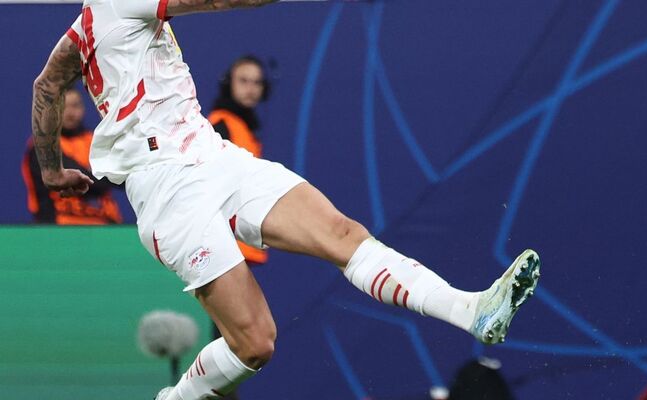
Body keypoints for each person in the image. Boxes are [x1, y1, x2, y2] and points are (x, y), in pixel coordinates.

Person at [29, 1, 542, 399]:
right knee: (255, 343)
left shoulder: (85, 27)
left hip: (213, 156)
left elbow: (47, 84)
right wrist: (51, 171)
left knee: (344, 234)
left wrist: (52, 171)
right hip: (165, 188)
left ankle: (472, 310)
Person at [22, 88, 122, 225]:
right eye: (63, 106)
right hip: (59, 224)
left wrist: (96, 177)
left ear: (83, 108)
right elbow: (90, 182)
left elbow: (122, 179)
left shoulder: (96, 142)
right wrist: (96, 174)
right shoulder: (42, 146)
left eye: (75, 106)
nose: (70, 113)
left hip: (105, 224)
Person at [209, 55, 271, 265]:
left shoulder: (244, 127)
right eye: (243, 81)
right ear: (228, 84)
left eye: (257, 82)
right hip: (223, 242)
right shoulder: (221, 125)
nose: (250, 88)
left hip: (238, 239)